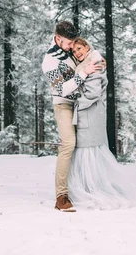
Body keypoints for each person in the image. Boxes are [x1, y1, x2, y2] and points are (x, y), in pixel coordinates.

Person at [68, 37, 136, 210]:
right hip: (91, 113)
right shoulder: (90, 60)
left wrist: (76, 103)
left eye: (79, 49)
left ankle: (92, 188)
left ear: (86, 47)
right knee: (89, 151)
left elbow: (92, 93)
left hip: (89, 113)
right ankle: (90, 186)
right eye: (74, 51)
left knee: (88, 151)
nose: (77, 53)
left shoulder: (93, 62)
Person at [41, 21, 102, 212]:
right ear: (58, 38)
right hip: (64, 104)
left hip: (82, 102)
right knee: (68, 143)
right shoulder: (49, 61)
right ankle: (61, 195)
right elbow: (62, 89)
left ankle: (84, 186)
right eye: (68, 43)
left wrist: (99, 61)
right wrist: (84, 73)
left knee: (86, 144)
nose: (71, 47)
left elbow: (87, 53)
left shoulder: (71, 47)